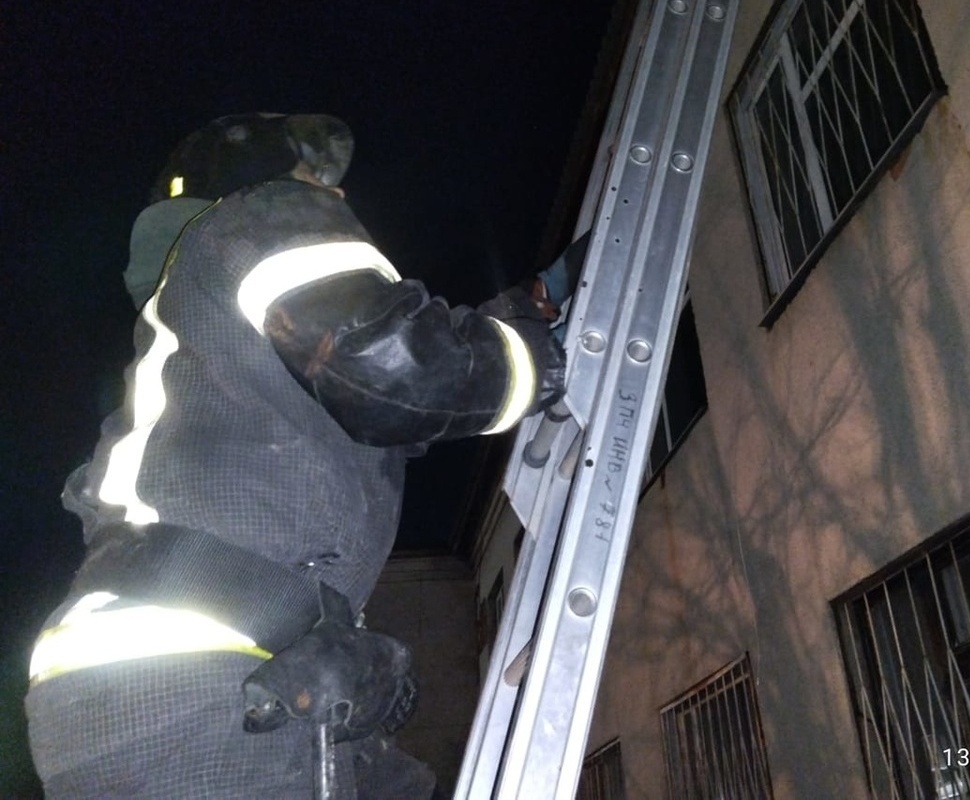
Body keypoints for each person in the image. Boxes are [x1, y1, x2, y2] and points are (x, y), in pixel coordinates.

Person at [24, 113, 567, 798]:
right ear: (255, 180)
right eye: (314, 176)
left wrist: (493, 329)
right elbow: (390, 374)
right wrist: (536, 359)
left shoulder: (206, 354)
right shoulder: (257, 217)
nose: (334, 197)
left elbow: (384, 401)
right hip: (202, 682)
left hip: (165, 680)